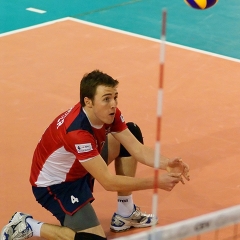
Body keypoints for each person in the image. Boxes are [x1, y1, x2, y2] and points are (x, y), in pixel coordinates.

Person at [1, 70, 190, 240]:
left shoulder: (109, 114)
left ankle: (125, 214)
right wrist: (157, 182)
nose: (113, 104)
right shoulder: (77, 132)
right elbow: (108, 182)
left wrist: (167, 163)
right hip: (56, 186)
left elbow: (137, 149)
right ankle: (28, 225)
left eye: (115, 97)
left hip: (82, 166)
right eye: (107, 99)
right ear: (88, 102)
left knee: (131, 131)